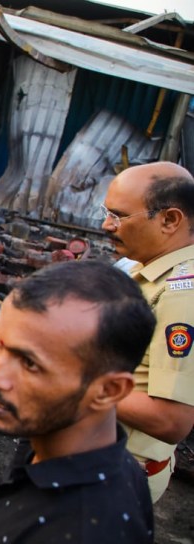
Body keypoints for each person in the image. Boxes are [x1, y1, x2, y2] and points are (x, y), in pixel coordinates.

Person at [0, 261, 155, 544]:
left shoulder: (79, 539)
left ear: (108, 390)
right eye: (1, 344)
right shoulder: (52, 441)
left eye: (30, 363)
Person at [101, 161, 194, 502]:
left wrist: (73, 380)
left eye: (119, 216)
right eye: (106, 211)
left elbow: (171, 420)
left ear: (170, 220)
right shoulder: (139, 263)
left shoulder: (184, 296)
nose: (105, 224)